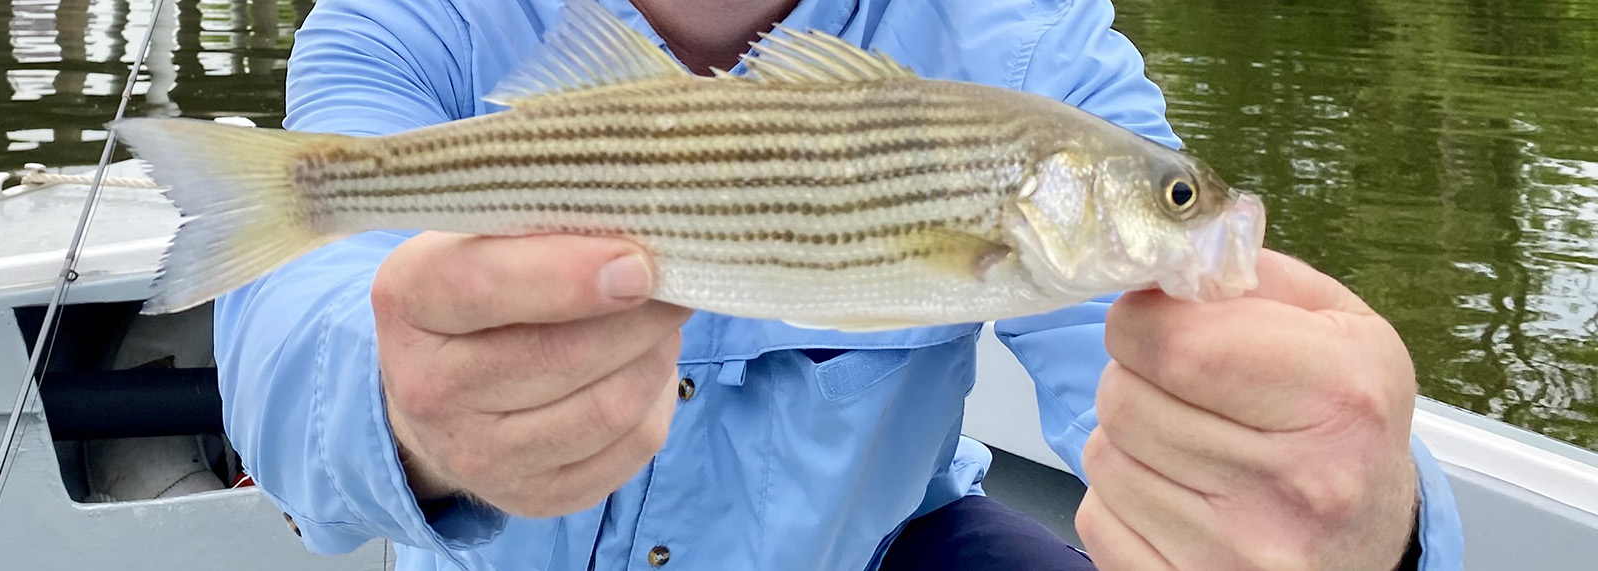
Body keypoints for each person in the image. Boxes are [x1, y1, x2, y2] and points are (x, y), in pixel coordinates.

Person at [212, 0, 1465, 569]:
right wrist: (404, 407)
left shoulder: (1030, 51)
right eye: (1173, 195)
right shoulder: (410, 19)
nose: (1183, 213)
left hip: (883, 551)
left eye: (1176, 197)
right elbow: (289, 344)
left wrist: (1363, 523)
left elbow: (1162, 371)